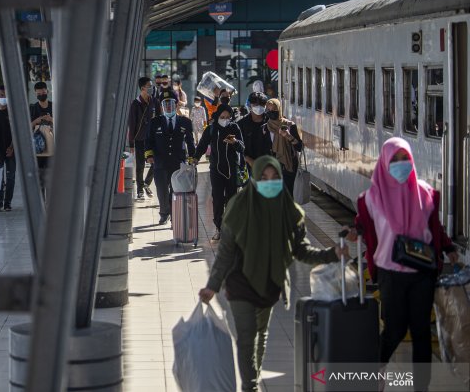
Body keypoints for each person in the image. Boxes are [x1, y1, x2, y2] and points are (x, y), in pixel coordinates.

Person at [200, 156, 349, 392]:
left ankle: (254, 378)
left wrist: (332, 254)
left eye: (275, 178)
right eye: (264, 178)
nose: (270, 182)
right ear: (255, 179)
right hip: (241, 284)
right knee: (247, 340)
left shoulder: (289, 212)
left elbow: (301, 251)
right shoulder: (239, 208)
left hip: (270, 285)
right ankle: (250, 387)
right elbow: (225, 255)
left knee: (261, 335)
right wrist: (212, 285)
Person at [345, 138, 458, 392]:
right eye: (394, 160)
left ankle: (422, 386)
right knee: (395, 328)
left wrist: (448, 248)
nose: (400, 165)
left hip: (422, 271)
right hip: (390, 271)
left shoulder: (426, 193)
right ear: (384, 162)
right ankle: (378, 366)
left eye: (404, 159)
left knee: (420, 331)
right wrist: (354, 231)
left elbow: (434, 228)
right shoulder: (371, 199)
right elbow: (362, 225)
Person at [145, 91, 195, 225]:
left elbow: (190, 142)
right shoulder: (155, 122)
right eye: (165, 104)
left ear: (176, 105)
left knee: (176, 190)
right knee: (162, 191)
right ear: (161, 106)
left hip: (178, 163)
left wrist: (192, 159)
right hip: (160, 163)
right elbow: (148, 141)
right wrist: (149, 155)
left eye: (171, 104)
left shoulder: (185, 122)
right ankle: (164, 213)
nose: (168, 107)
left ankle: (174, 214)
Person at [194, 104, 244, 240]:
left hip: (231, 169)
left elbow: (242, 147)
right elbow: (202, 145)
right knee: (217, 199)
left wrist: (234, 142)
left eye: (228, 117)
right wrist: (195, 159)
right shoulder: (211, 129)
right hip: (216, 169)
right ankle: (219, 227)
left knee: (232, 199)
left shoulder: (234, 127)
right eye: (222, 117)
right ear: (217, 116)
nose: (225, 119)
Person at [265, 98, 303, 195]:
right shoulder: (265, 128)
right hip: (272, 165)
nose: (271, 112)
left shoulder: (289, 125)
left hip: (289, 164)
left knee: (288, 193)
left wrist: (288, 136)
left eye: (274, 110)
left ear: (279, 109)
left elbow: (299, 147)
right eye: (268, 110)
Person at [127, 77, 155, 201]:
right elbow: (132, 124)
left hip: (153, 139)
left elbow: (159, 118)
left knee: (155, 163)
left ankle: (146, 184)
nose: (151, 88)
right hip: (140, 140)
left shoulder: (154, 101)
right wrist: (131, 143)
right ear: (142, 88)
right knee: (140, 166)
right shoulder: (135, 103)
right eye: (149, 86)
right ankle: (139, 191)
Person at [237, 92, 273, 173]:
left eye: (262, 105)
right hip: (249, 167)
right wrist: (249, 161)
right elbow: (237, 146)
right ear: (250, 105)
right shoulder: (241, 125)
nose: (259, 107)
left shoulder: (271, 122)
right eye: (256, 105)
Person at [0, 86, 15, 211]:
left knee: (11, 176)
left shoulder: (12, 113)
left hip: (11, 150)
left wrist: (12, 148)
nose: (3, 98)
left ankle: (8, 202)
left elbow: (16, 132)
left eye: (5, 96)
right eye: (1, 95)